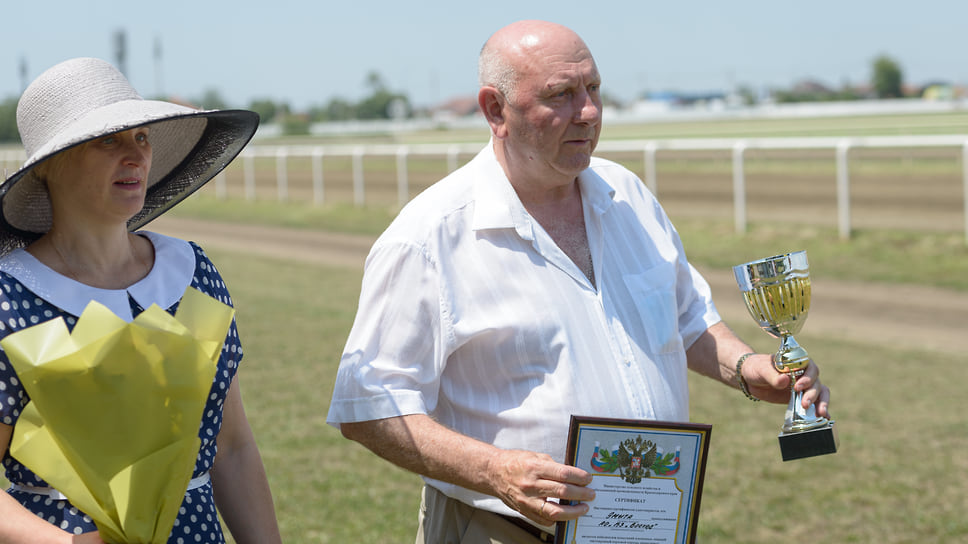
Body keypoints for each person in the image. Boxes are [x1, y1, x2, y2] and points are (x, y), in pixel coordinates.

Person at [327, 20, 831, 544]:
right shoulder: (428, 237)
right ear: (495, 110)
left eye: (593, 89)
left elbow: (686, 320)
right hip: (506, 529)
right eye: (561, 95)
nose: (587, 112)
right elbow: (370, 408)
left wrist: (751, 369)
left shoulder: (629, 197)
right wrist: (493, 471)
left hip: (650, 527)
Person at [0, 58, 282, 543]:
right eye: (109, 140)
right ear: (49, 165)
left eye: (143, 137)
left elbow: (231, 448)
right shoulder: (9, 297)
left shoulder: (193, 273)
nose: (136, 156)